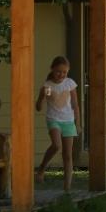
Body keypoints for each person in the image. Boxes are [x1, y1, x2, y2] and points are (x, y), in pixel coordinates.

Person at [35, 56, 80, 191]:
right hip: (53, 119)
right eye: (58, 71)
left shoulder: (69, 83)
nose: (61, 75)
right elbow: (39, 106)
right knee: (56, 145)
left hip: (68, 121)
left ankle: (67, 187)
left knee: (67, 154)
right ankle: (42, 168)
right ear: (52, 69)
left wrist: (77, 123)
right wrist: (42, 97)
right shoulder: (48, 86)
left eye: (64, 72)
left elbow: (75, 104)